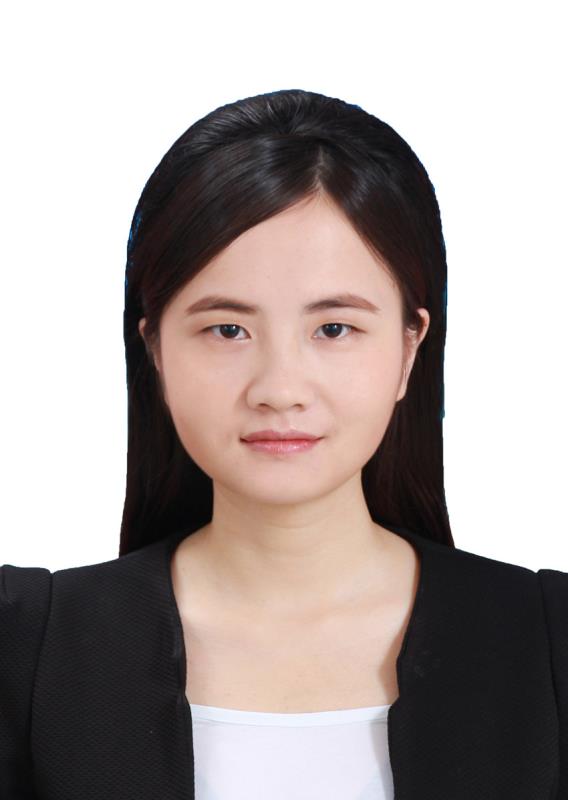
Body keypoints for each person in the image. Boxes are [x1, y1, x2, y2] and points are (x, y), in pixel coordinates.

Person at [1, 88, 566, 799]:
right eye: (227, 329)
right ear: (155, 350)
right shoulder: (24, 648)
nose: (279, 388)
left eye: (334, 329)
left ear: (409, 348)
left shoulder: (549, 643)